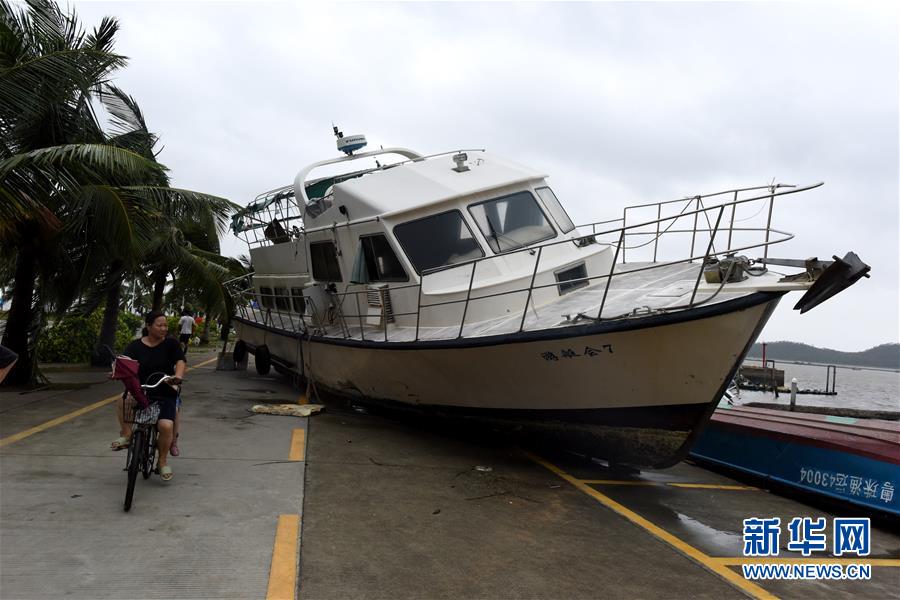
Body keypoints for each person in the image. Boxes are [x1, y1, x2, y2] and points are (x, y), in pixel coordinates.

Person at [111, 311, 186, 482]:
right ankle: (127, 435)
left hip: (164, 391)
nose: (164, 328)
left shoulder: (171, 344)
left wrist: (178, 376)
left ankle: (162, 461)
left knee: (165, 426)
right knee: (122, 399)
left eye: (165, 325)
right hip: (141, 389)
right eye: (160, 325)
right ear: (148, 326)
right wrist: (116, 372)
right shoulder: (135, 346)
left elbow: (181, 361)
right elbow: (124, 363)